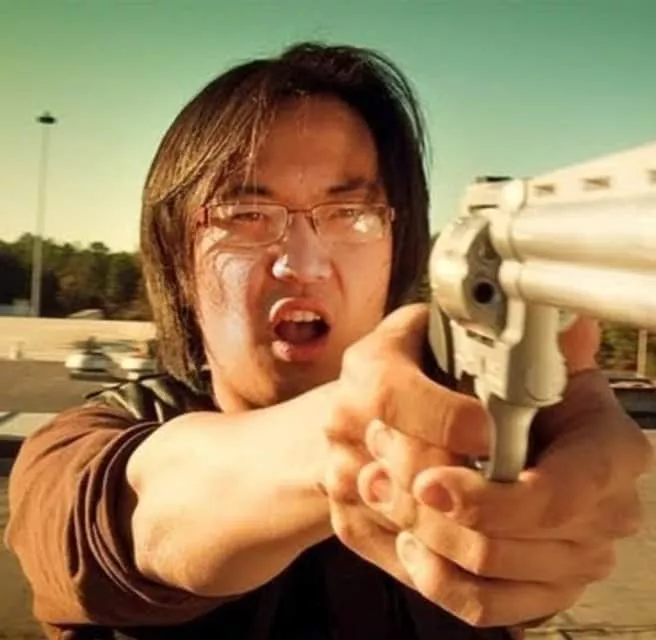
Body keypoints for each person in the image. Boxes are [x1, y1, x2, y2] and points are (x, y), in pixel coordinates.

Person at [4, 42, 653, 640]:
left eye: (351, 214)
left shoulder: (464, 421)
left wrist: (540, 509)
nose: (303, 263)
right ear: (178, 264)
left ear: (398, 248)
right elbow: (142, 516)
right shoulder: (75, 447)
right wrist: (368, 440)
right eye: (246, 215)